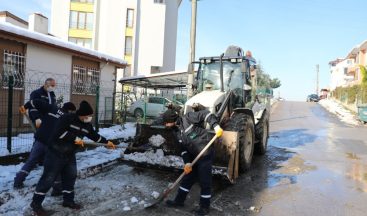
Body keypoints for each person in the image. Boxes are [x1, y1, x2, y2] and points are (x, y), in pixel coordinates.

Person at [30, 100, 116, 215]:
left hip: (69, 154)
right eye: (87, 116)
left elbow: (94, 136)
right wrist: (74, 138)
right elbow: (58, 133)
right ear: (81, 115)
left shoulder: (87, 125)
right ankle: (36, 204)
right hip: (55, 153)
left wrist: (107, 143)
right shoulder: (67, 118)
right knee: (48, 178)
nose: (89, 118)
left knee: (70, 177)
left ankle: (68, 201)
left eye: (90, 116)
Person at [163, 104, 223, 216]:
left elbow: (206, 114)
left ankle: (204, 207)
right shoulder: (175, 132)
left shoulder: (188, 118)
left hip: (205, 152)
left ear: (172, 120)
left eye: (166, 122)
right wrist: (187, 162)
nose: (165, 125)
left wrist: (215, 126)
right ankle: (179, 201)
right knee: (187, 178)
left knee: (205, 181)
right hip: (193, 156)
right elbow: (182, 150)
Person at [14, 99, 76, 191]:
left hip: (40, 140)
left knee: (31, 161)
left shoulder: (52, 108)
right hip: (52, 144)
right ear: (70, 111)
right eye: (73, 112)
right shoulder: (67, 118)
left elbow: (35, 102)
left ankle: (18, 181)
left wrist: (25, 106)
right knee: (55, 164)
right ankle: (57, 188)